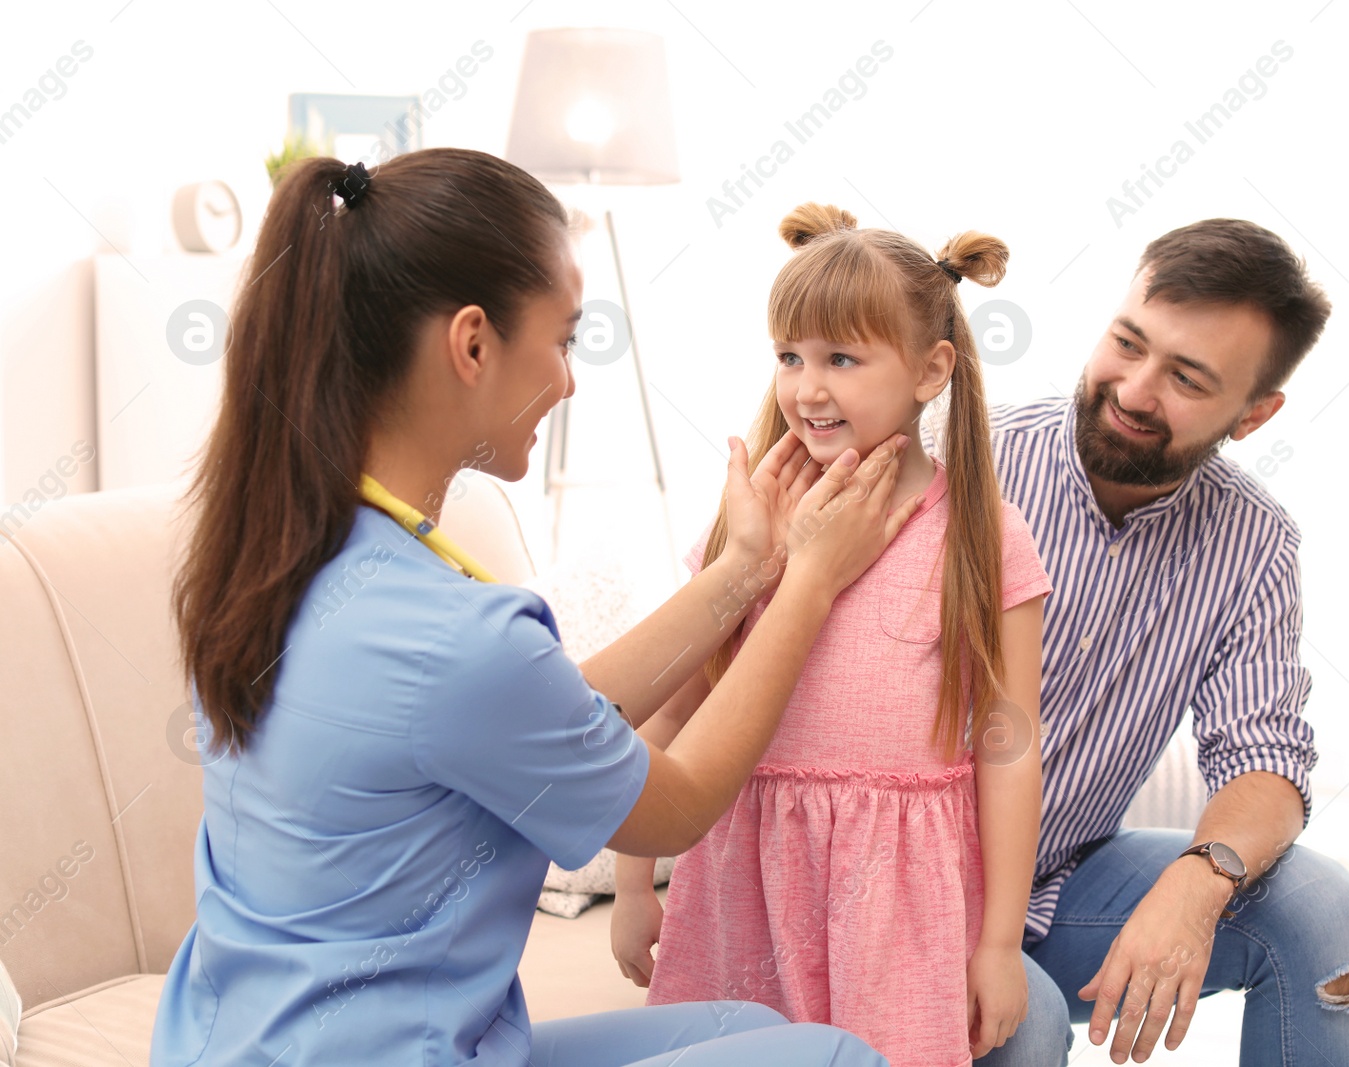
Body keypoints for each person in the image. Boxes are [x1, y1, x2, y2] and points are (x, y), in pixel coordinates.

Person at [149, 148, 924, 1066]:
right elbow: (672, 808)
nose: (567, 381)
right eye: (563, 340)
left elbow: (536, 713)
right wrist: (812, 584)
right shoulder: (452, 637)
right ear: (473, 344)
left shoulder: (285, 549)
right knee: (839, 1057)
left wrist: (748, 569)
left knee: (752, 1032)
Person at [610, 203, 1064, 1067]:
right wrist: (635, 884)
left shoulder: (983, 534)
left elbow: (1009, 747)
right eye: (790, 356)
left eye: (841, 359)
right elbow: (676, 707)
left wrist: (999, 944)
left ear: (932, 370)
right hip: (742, 874)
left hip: (894, 900)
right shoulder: (754, 522)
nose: (807, 388)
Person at [968, 219, 1349, 1067]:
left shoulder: (1255, 542)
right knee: (1027, 1024)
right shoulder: (967, 462)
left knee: (1318, 906)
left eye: (1187, 377)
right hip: (893, 888)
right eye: (1128, 342)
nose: (1135, 390)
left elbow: (1264, 757)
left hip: (1054, 881)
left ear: (1256, 413)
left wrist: (1200, 881)